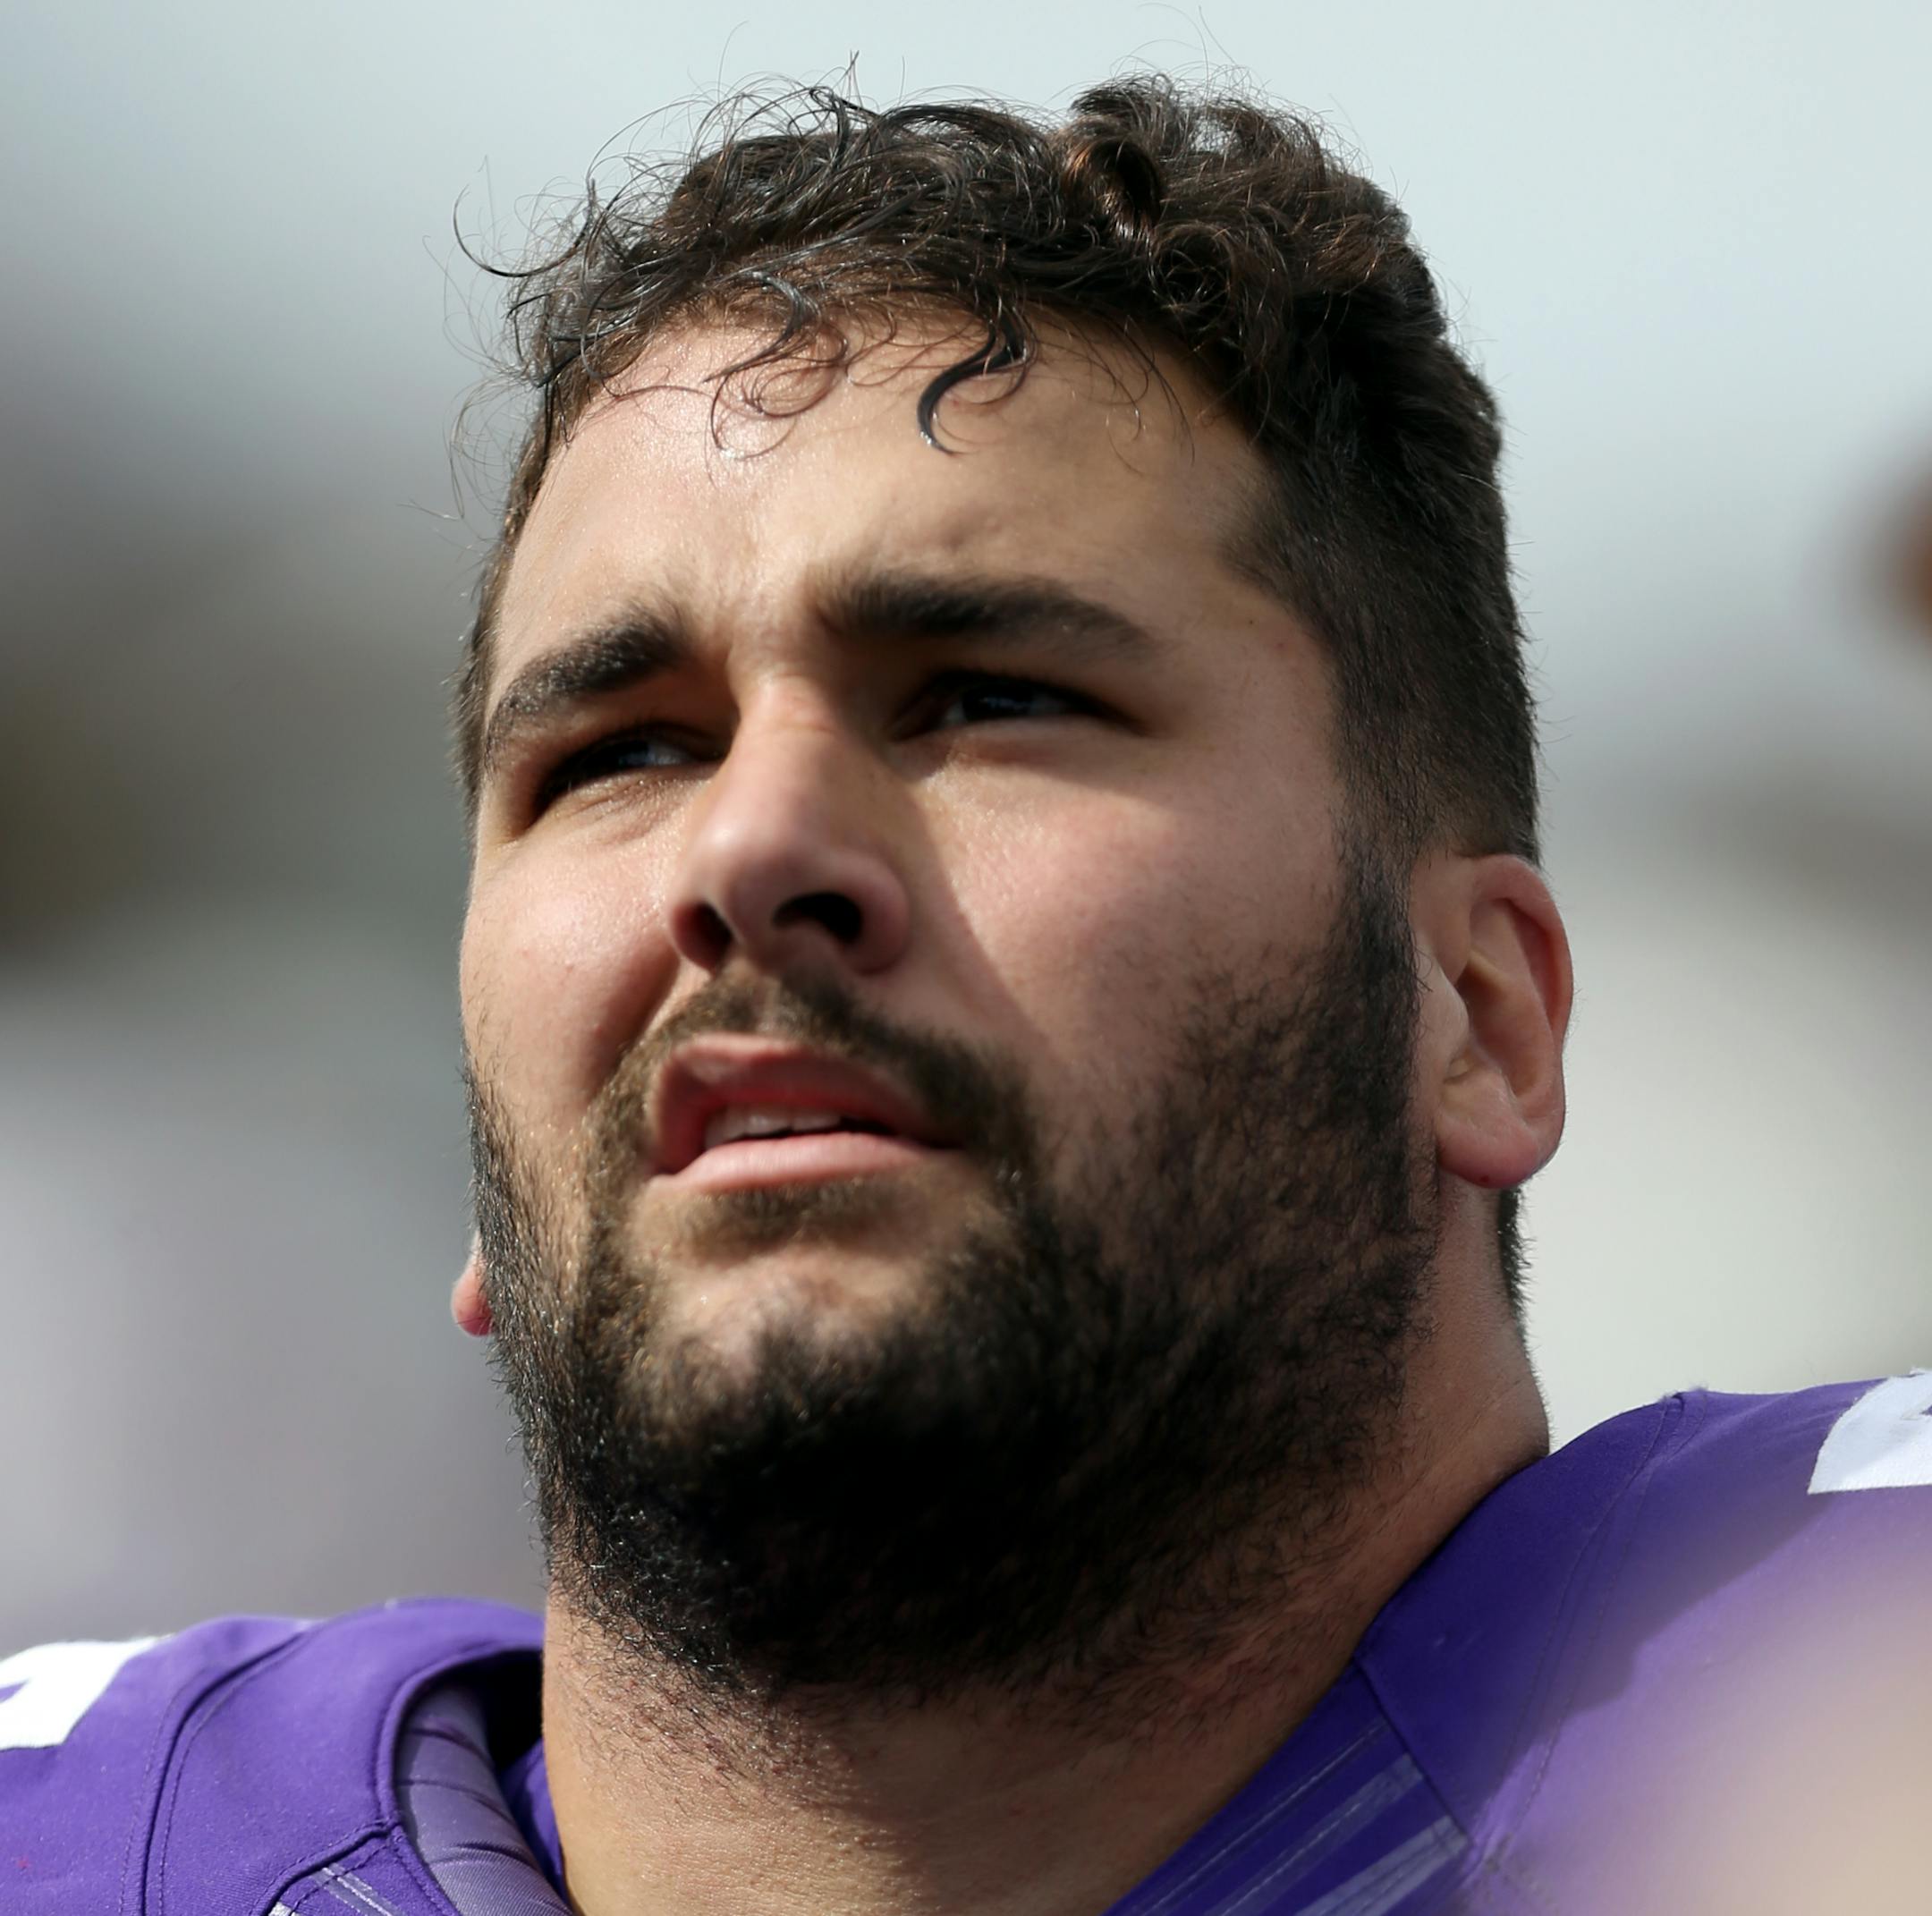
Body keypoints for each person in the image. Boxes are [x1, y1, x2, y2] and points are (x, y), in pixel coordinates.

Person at [5, 76, 1929, 1916]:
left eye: (991, 698)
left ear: (1480, 1016)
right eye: (614, 754)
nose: (750, 854)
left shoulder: (1851, 1695)